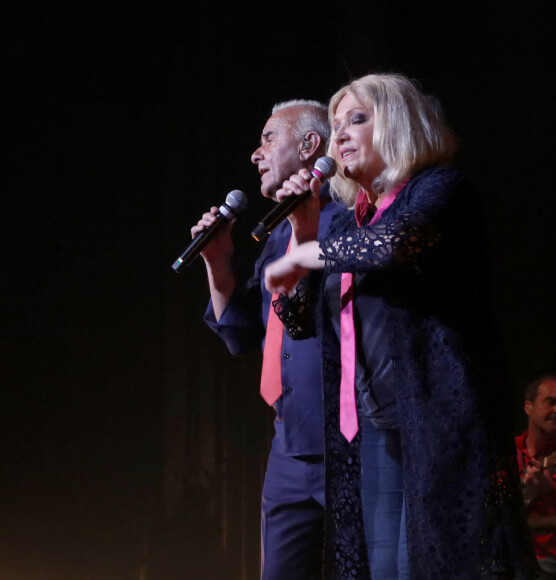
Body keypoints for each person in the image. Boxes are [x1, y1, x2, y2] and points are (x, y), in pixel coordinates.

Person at [264, 73, 533, 579]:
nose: (339, 133)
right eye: (336, 123)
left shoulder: (439, 190)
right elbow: (300, 323)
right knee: (383, 568)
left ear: (399, 124)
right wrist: (305, 228)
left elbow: (395, 244)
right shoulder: (344, 223)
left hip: (438, 423)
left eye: (357, 119)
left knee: (429, 564)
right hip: (368, 427)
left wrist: (311, 250)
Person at [191, 100, 343, 580]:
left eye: (268, 138)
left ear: (309, 146)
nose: (256, 154)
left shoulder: (345, 220)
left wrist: (309, 235)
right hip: (289, 444)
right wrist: (217, 262)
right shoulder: (274, 236)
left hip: (346, 441)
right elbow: (242, 336)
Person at [517, 375, 556, 578]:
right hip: (499, 552)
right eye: (550, 402)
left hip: (549, 559)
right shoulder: (505, 455)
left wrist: (550, 490)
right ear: (529, 407)